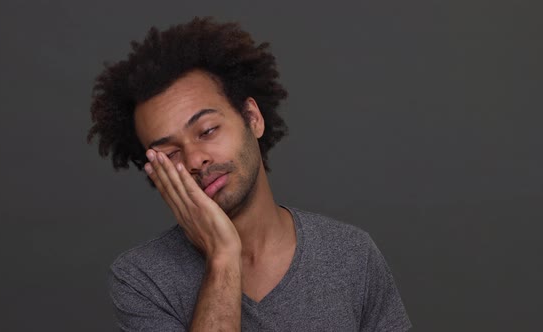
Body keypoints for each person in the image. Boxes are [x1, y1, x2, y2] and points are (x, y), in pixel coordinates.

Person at [87, 17, 411, 332]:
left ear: (252, 118)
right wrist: (223, 256)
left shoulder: (351, 254)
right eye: (171, 154)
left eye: (208, 130)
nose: (195, 159)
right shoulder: (142, 278)